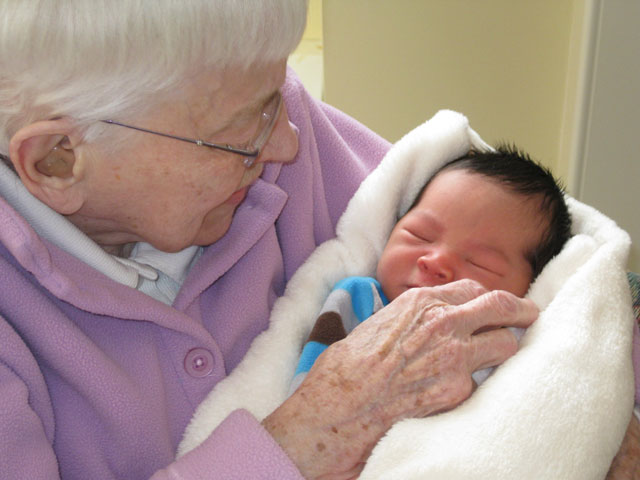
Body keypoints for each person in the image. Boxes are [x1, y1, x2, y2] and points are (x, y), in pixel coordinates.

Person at [0, 2, 635, 479]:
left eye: (279, 97)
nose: (287, 144)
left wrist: (597, 411)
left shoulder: (256, 105)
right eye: (242, 131)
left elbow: (559, 253)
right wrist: (307, 441)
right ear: (57, 160)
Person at [290, 146, 572, 393]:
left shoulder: (523, 350)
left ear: (530, 288)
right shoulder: (359, 300)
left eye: (480, 262)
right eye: (420, 235)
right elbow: (311, 396)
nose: (436, 261)